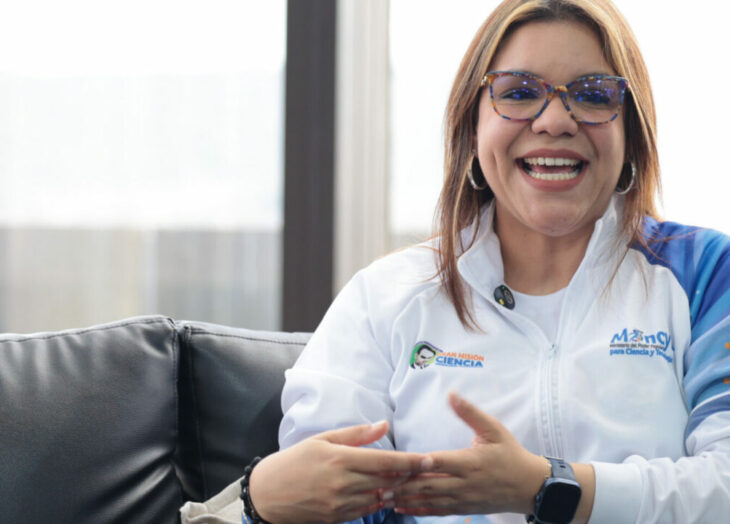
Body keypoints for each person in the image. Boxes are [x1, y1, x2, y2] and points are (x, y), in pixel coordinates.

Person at [242, 0, 730, 523]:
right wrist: (260, 499)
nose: (555, 121)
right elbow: (322, 503)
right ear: (471, 130)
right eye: (518, 92)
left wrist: (549, 488)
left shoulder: (705, 273)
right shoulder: (384, 297)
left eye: (592, 95)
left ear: (632, 132)